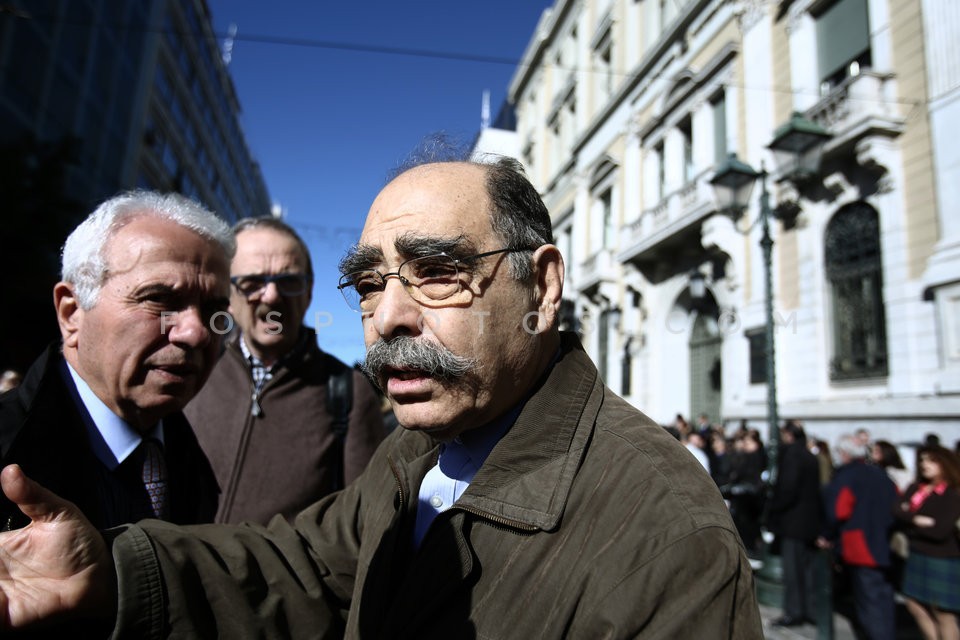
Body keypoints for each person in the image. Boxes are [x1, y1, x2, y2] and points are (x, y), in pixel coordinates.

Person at [0, 155, 762, 638]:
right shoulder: (417, 451)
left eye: (435, 271)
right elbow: (303, 565)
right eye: (369, 284)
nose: (389, 315)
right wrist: (114, 570)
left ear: (544, 283)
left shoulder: (667, 534)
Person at [0, 191, 228, 532]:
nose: (196, 333)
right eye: (159, 299)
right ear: (71, 312)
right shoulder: (10, 444)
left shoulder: (188, 458)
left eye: (215, 311)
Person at [184, 218, 385, 524]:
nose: (272, 296)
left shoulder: (349, 393)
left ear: (308, 293)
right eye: (252, 282)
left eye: (288, 282)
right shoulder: (190, 374)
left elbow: (361, 528)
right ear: (229, 296)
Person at [818, 434, 898, 640]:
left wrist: (827, 534)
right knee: (882, 596)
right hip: (882, 541)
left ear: (844, 454)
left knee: (870, 599)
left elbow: (839, 511)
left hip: (861, 544)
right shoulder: (881, 475)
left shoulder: (848, 476)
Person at [893, 445, 960, 640]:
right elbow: (897, 510)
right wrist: (915, 519)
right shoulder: (917, 488)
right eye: (922, 460)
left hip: (942, 557)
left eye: (932, 461)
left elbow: (940, 531)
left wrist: (909, 521)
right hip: (918, 553)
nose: (925, 465)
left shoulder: (952, 493)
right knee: (915, 606)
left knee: (943, 613)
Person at [767, 420, 823, 627]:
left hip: (793, 522)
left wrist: (774, 509)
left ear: (789, 435)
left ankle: (795, 611)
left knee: (793, 571)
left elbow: (787, 489)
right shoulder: (810, 456)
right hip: (809, 522)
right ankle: (810, 609)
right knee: (807, 570)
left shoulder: (792, 455)